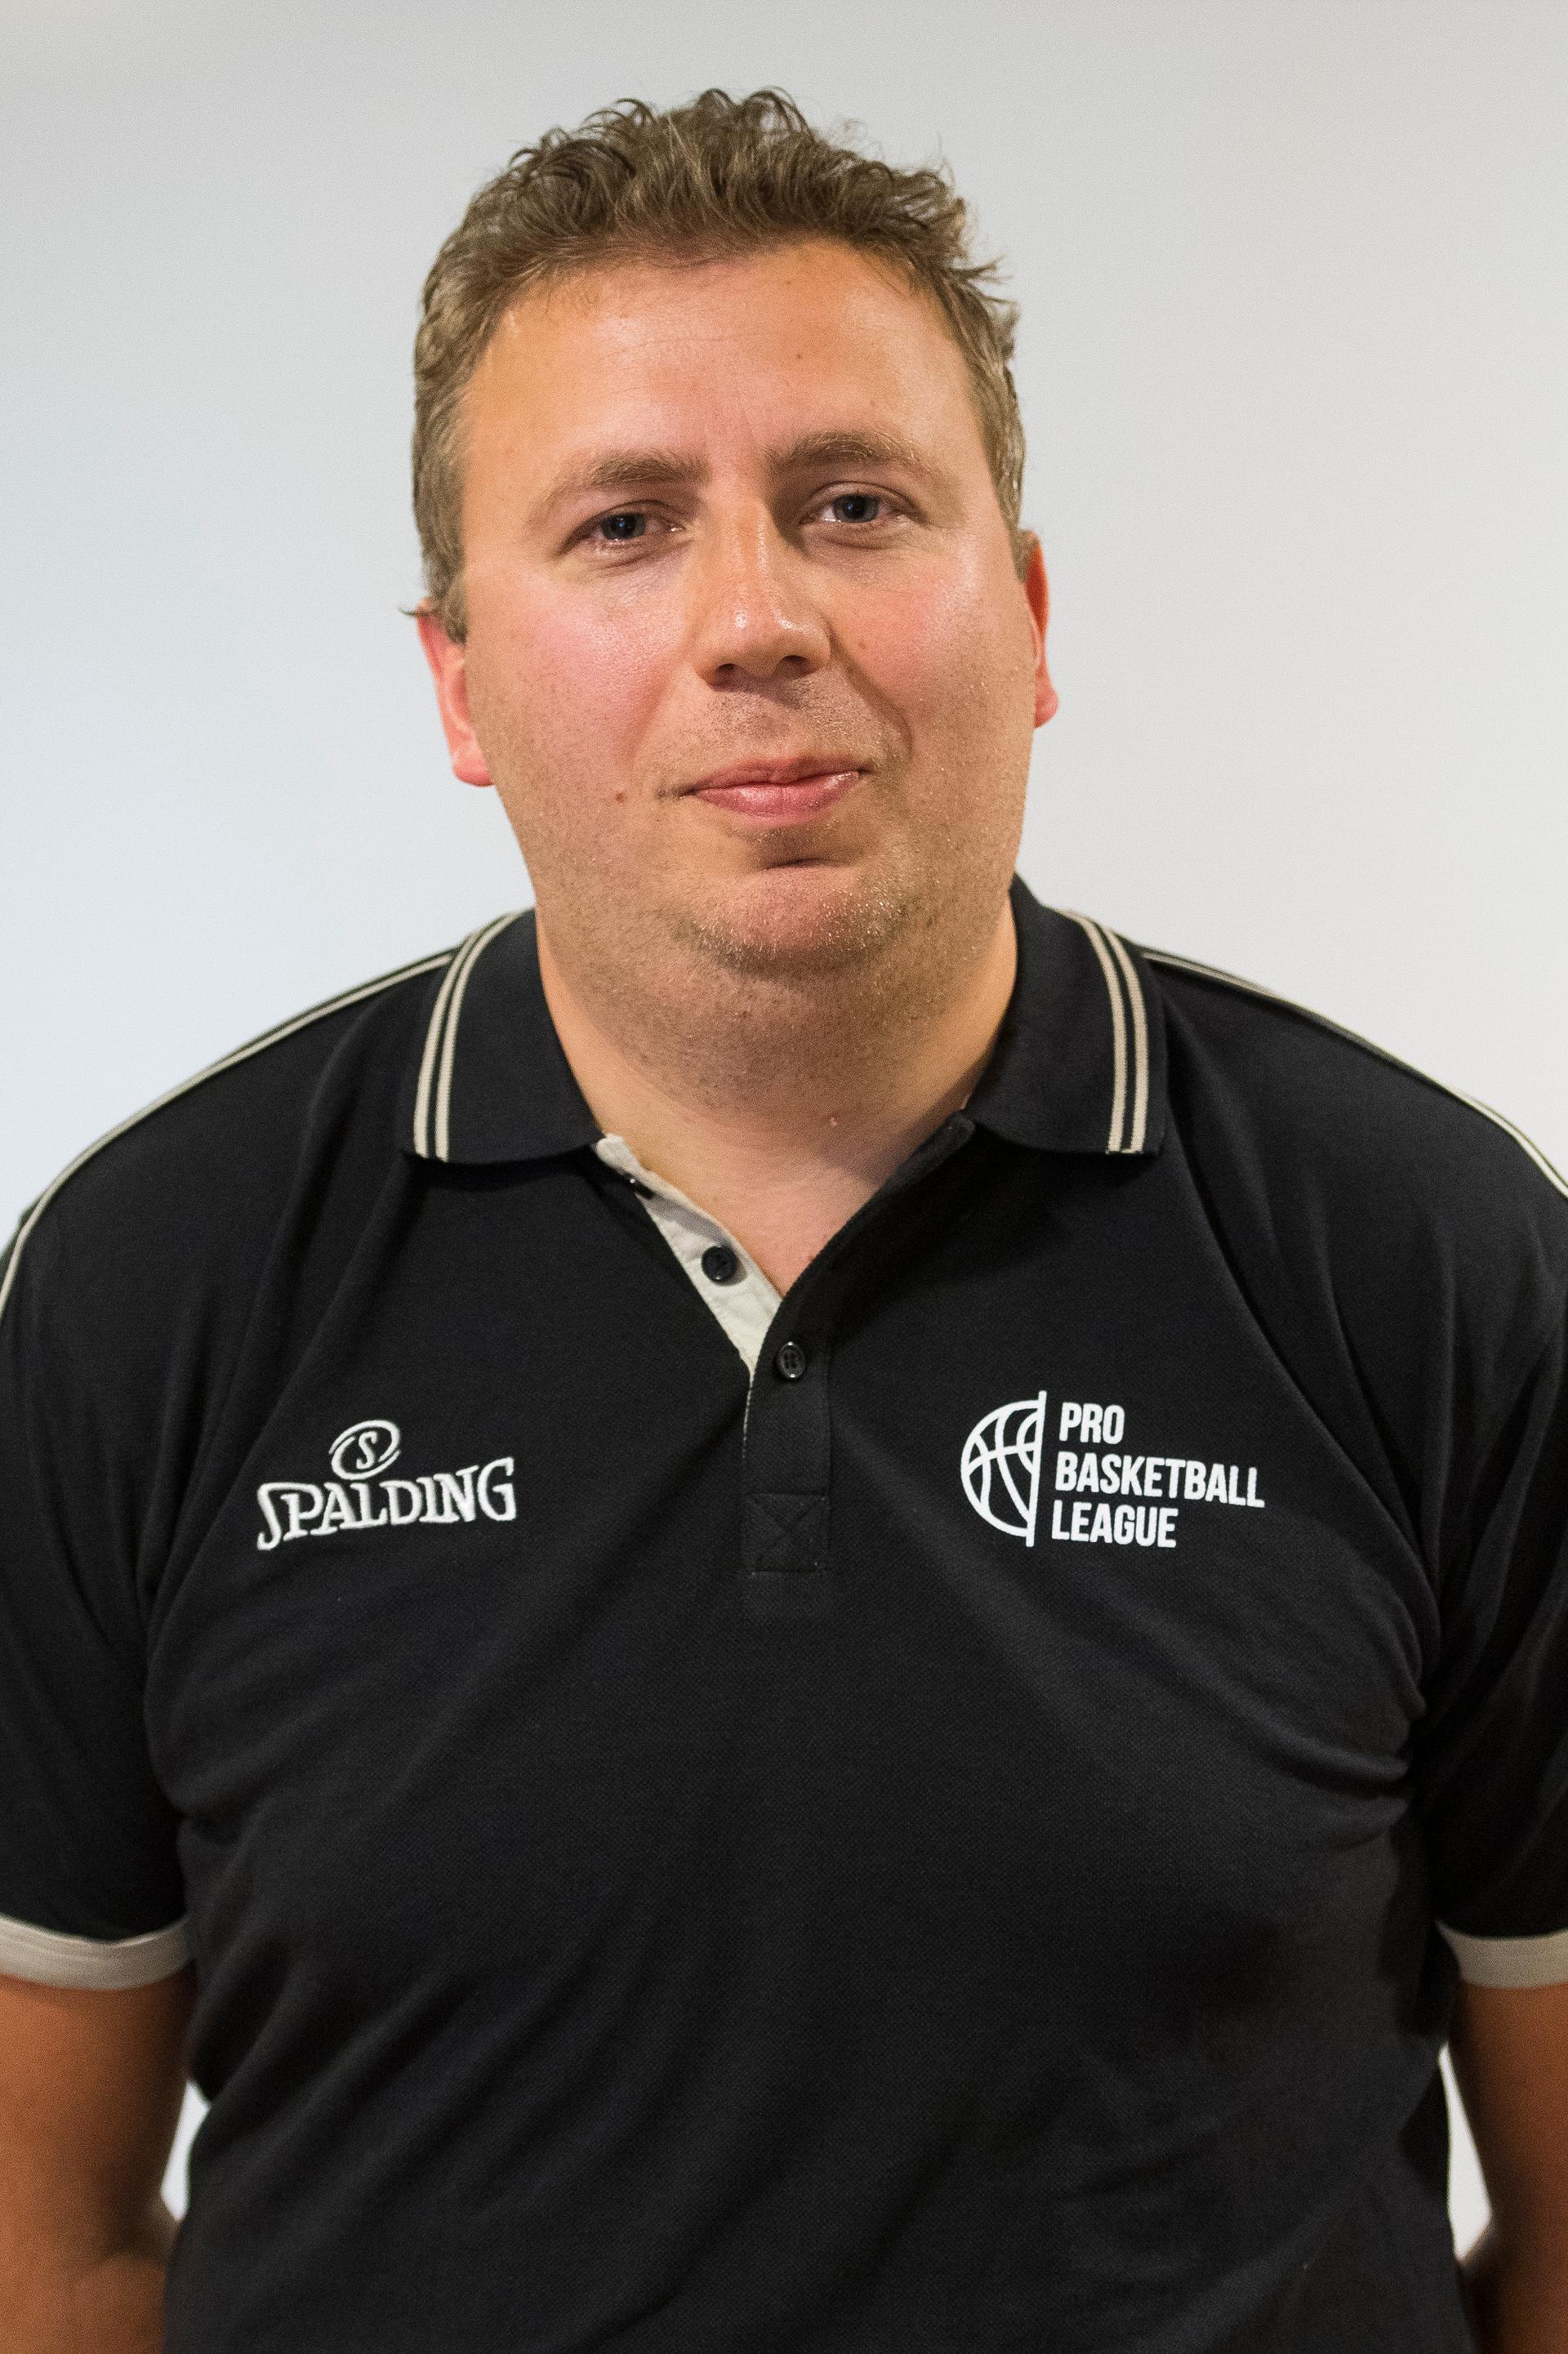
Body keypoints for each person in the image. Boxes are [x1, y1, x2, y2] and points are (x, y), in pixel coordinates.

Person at [0, 87, 1563, 2354]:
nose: (756, 616)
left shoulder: (1429, 1260)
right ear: (457, 678)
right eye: (625, 524)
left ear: (1023, 615)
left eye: (854, 503)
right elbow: (40, 2247)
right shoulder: (142, 1294)